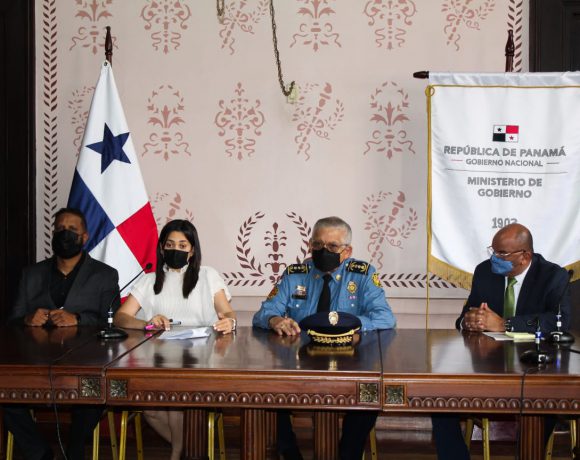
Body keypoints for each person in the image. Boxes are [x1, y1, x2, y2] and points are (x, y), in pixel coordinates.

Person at [253, 216, 396, 460]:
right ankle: (290, 453)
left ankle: (347, 455)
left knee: (369, 394)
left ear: (347, 251)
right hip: (301, 363)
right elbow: (263, 313)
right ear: (310, 245)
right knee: (265, 394)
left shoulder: (362, 275)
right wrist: (274, 320)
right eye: (318, 245)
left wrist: (351, 325)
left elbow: (385, 318)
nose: (323, 251)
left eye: (332, 246)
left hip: (350, 363)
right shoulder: (296, 275)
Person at [432, 223, 572, 460]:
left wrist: (506, 324)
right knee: (439, 398)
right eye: (493, 251)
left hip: (534, 367)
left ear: (525, 256)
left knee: (543, 403)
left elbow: (559, 321)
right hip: (488, 365)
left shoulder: (552, 276)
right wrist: (469, 321)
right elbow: (465, 315)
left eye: (502, 254)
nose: (494, 258)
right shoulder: (485, 272)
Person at [114, 219, 236, 460]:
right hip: (157, 360)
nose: (175, 250)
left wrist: (229, 322)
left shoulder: (207, 275)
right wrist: (147, 324)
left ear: (192, 250)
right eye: (170, 245)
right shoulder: (149, 280)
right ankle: (192, 450)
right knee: (152, 410)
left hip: (198, 361)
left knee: (176, 401)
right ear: (161, 248)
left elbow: (227, 312)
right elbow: (121, 317)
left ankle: (178, 452)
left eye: (182, 245)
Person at [5, 207, 120, 460]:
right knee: (6, 397)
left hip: (85, 363)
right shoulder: (31, 274)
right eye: (60, 229)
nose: (65, 234)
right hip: (35, 363)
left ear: (84, 237)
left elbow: (111, 322)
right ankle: (39, 453)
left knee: (91, 397)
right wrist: (27, 318)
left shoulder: (105, 275)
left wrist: (78, 319)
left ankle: (73, 453)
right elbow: (12, 320)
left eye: (72, 230)